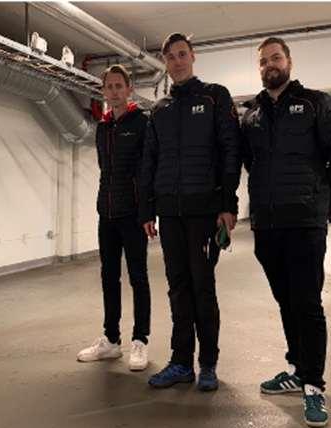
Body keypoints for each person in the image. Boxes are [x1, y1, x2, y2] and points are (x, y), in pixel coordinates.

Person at [240, 37, 331, 427]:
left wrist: (320, 199)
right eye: (264, 61)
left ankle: (314, 386)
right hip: (267, 225)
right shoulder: (252, 114)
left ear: (288, 61)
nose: (270, 65)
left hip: (305, 223)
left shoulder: (316, 103)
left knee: (307, 304)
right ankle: (298, 369)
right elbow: (249, 163)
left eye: (276, 58)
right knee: (286, 301)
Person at [138, 33, 241, 390]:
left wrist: (228, 204)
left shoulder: (215, 96)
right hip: (170, 213)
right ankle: (181, 362)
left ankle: (207, 363)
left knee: (202, 287)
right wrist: (147, 210)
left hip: (204, 212)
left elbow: (230, 151)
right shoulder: (160, 109)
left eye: (182, 54)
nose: (177, 61)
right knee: (178, 288)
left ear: (193, 57)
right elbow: (150, 160)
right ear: (165, 63)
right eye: (170, 57)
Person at [77, 65, 152, 371]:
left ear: (129, 89)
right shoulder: (103, 128)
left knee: (138, 278)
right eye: (109, 86)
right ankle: (111, 340)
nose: (114, 91)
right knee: (109, 277)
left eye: (119, 85)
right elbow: (104, 169)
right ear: (103, 91)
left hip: (133, 215)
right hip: (106, 214)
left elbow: (147, 172)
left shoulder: (142, 123)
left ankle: (140, 340)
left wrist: (147, 212)